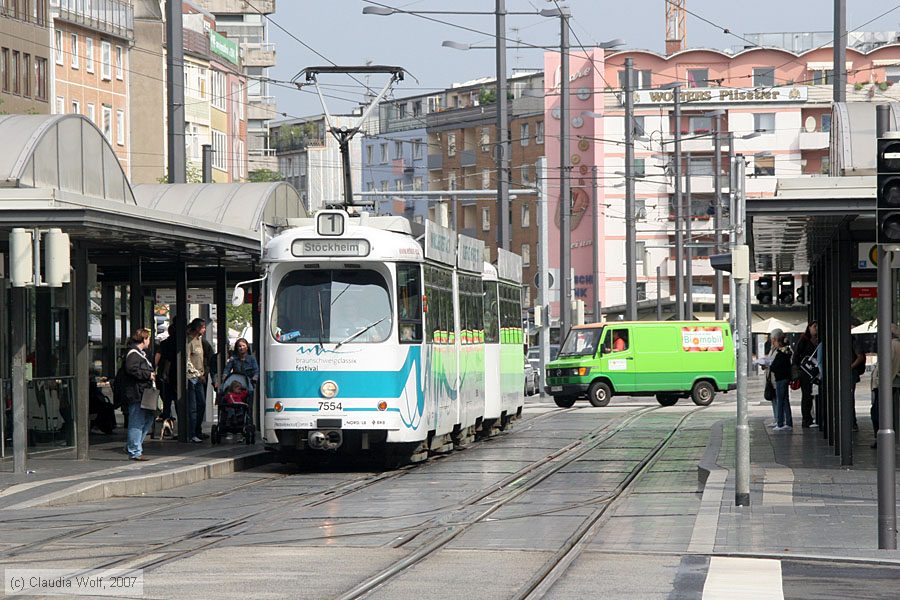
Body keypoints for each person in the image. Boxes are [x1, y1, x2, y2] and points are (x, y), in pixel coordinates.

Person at [122, 328, 156, 461]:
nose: (149, 342)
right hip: (136, 393)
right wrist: (148, 374)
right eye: (148, 339)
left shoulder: (140, 354)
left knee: (148, 418)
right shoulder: (133, 354)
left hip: (143, 392)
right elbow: (131, 369)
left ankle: (132, 445)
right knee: (137, 421)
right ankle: (135, 450)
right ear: (144, 339)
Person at [870, 324, 900, 448]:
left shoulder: (890, 346)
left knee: (877, 412)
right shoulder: (896, 345)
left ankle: (880, 439)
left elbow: (885, 366)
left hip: (885, 383)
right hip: (893, 382)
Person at [186, 318, 213, 444]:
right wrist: (197, 374)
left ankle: (197, 430)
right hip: (191, 377)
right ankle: (192, 433)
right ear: (197, 328)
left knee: (201, 404)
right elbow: (187, 361)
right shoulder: (189, 340)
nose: (204, 329)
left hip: (200, 376)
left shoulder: (200, 340)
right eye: (202, 327)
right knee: (193, 406)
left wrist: (205, 373)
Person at [793, 321, 819, 428]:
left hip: (816, 371)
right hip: (805, 372)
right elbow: (796, 356)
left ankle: (814, 417)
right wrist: (797, 370)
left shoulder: (819, 341)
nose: (816, 329)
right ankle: (806, 418)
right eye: (814, 326)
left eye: (817, 327)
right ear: (809, 328)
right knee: (807, 396)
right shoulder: (803, 340)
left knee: (815, 394)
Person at [769, 330, 794, 431]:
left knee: (780, 401)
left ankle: (780, 423)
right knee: (785, 401)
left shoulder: (781, 353)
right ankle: (788, 422)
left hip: (780, 379)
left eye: (774, 341)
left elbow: (774, 366)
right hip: (786, 378)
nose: (773, 343)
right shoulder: (787, 352)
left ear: (778, 341)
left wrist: (770, 366)